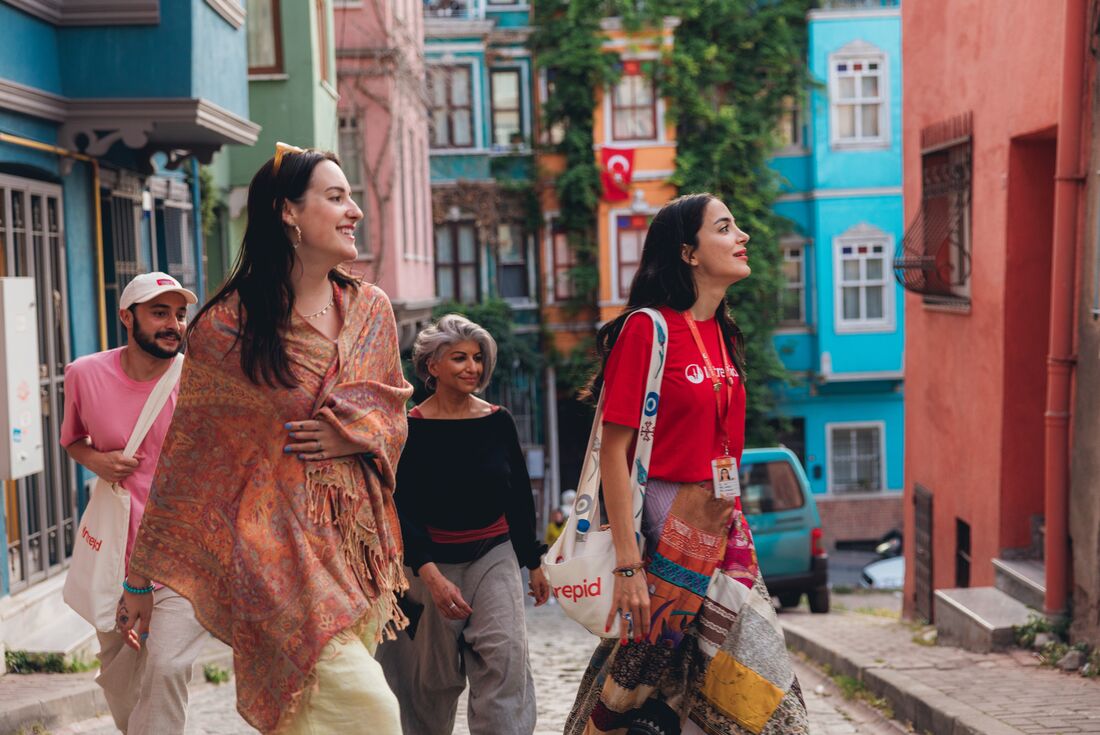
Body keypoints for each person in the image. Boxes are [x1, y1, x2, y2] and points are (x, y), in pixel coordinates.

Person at [119, 144, 412, 734]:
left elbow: (395, 413)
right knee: (370, 711)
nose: (354, 210)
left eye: (352, 196)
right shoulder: (228, 328)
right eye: (336, 197)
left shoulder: (372, 310)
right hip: (274, 552)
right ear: (288, 213)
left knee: (313, 717)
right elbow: (189, 459)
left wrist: (354, 436)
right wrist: (139, 578)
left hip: (353, 550)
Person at [565, 194, 809, 734]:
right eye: (725, 227)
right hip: (665, 526)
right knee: (651, 676)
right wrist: (629, 565)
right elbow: (613, 452)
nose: (742, 236)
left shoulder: (722, 332)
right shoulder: (646, 331)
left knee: (719, 675)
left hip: (721, 521)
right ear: (688, 253)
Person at [377, 314, 550, 735]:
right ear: (432, 365)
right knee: (425, 682)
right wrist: (430, 575)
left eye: (477, 358)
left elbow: (517, 497)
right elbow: (399, 506)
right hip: (424, 567)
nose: (472, 367)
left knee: (504, 661)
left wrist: (533, 561)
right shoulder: (407, 429)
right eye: (459, 358)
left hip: (493, 554)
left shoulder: (498, 420)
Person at [61, 271, 203, 734]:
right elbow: (72, 441)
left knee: (164, 670)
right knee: (124, 690)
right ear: (127, 317)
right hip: (114, 558)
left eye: (180, 315)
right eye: (159, 312)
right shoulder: (85, 374)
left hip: (181, 558)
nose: (173, 324)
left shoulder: (199, 381)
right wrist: (97, 461)